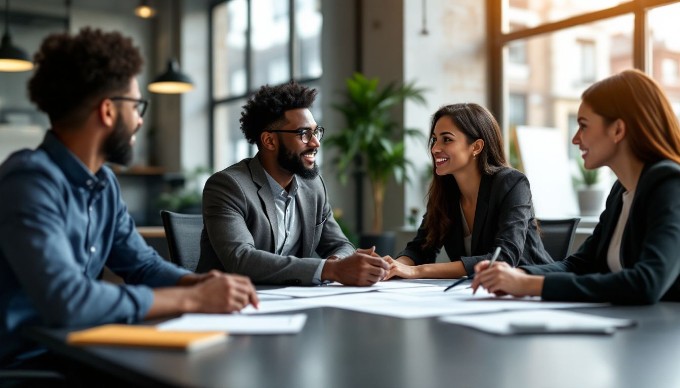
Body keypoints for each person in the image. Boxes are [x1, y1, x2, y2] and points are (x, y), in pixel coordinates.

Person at [0, 28, 259, 370]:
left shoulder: (104, 183)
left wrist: (195, 281)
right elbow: (67, 301)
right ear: (108, 111)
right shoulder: (29, 181)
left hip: (78, 354)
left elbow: (142, 266)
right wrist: (193, 298)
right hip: (23, 367)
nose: (139, 119)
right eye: (137, 106)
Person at [472, 69, 680, 304]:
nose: (575, 138)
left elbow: (647, 283)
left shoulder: (671, 185)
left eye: (583, 125)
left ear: (618, 130)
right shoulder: (620, 191)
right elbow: (580, 264)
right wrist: (517, 275)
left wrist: (529, 285)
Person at [197, 81, 389, 286]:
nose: (315, 143)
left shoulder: (313, 186)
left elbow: (340, 244)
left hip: (291, 301)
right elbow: (242, 259)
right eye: (303, 134)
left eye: (316, 132)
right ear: (269, 141)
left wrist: (338, 262)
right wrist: (330, 270)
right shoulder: (229, 186)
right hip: (227, 305)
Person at [384, 103, 553, 280]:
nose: (434, 148)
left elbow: (503, 258)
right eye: (434, 139)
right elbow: (421, 248)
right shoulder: (446, 191)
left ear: (476, 147)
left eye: (447, 139)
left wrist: (416, 271)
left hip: (532, 292)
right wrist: (391, 266)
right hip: (476, 293)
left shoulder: (512, 183)